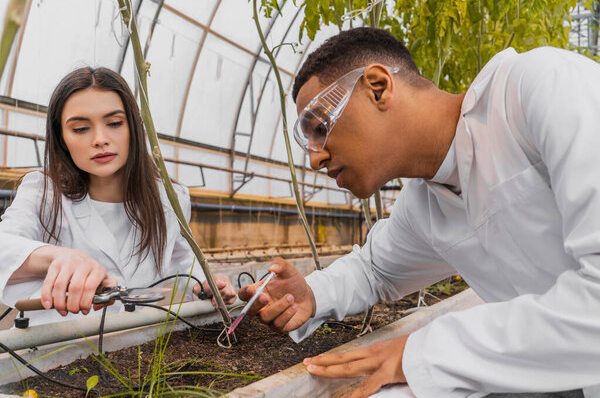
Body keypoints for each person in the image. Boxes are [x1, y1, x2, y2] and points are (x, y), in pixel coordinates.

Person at [238, 27, 600, 398]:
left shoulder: (539, 89)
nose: (315, 158)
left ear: (378, 87)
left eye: (320, 127)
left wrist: (422, 354)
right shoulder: (425, 202)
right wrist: (310, 294)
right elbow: (374, 270)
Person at [0, 67, 236, 326]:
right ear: (62, 138)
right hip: (55, 351)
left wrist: (205, 284)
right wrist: (58, 257)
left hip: (137, 348)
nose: (100, 139)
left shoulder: (169, 199)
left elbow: (182, 260)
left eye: (114, 123)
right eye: (80, 128)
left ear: (134, 128)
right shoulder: (44, 192)